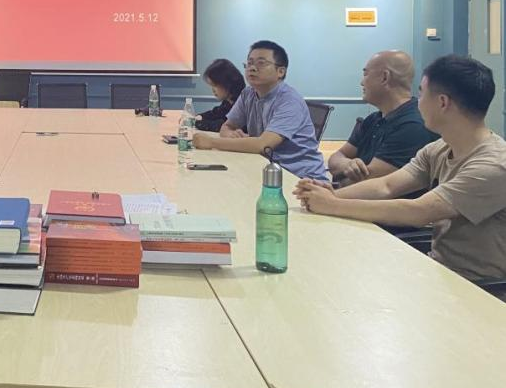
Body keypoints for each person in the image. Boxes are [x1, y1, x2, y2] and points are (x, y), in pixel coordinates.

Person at [295, 55, 506, 283]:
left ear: (442, 102)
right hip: (438, 271)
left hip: (479, 288)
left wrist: (333, 205)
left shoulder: (494, 165)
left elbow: (420, 212)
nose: (417, 102)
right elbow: (386, 186)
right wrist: (330, 194)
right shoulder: (439, 148)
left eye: (422, 93)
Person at [192, 40, 327, 180]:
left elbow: (263, 145)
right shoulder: (248, 94)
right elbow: (226, 127)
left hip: (301, 178)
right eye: (249, 63)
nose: (252, 68)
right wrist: (231, 134)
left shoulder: (289, 100)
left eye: (261, 63)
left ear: (280, 71)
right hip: (264, 168)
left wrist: (211, 142)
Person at [326, 50, 438, 185]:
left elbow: (369, 184)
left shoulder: (412, 127)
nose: (362, 82)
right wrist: (346, 165)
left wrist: (338, 178)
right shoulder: (373, 119)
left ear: (384, 77)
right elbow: (335, 158)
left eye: (366, 74)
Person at [196, 58, 246, 132]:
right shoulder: (228, 101)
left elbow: (221, 125)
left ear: (227, 83)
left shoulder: (242, 102)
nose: (213, 90)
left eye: (215, 85)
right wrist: (196, 117)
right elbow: (215, 113)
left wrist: (197, 122)